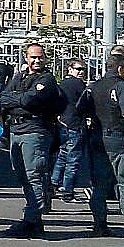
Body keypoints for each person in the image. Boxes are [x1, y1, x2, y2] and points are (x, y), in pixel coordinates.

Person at [0, 42, 62, 239]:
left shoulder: (47, 79)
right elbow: (3, 98)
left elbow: (29, 100)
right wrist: (20, 100)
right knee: (22, 175)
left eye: (40, 57)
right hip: (16, 130)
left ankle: (31, 220)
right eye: (33, 57)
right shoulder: (21, 76)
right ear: (26, 58)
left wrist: (19, 100)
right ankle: (35, 220)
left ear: (45, 58)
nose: (36, 60)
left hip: (35, 131)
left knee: (35, 176)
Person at [79, 54, 124, 240]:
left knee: (99, 183)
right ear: (119, 69)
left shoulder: (94, 86)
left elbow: (80, 109)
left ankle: (99, 224)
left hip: (97, 137)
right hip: (117, 138)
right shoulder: (121, 86)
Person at [51, 59, 89, 204]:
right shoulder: (79, 85)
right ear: (70, 69)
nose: (81, 72)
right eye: (78, 69)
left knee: (62, 156)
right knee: (73, 160)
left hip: (63, 123)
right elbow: (87, 104)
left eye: (83, 69)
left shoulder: (61, 84)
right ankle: (68, 192)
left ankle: (54, 185)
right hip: (75, 124)